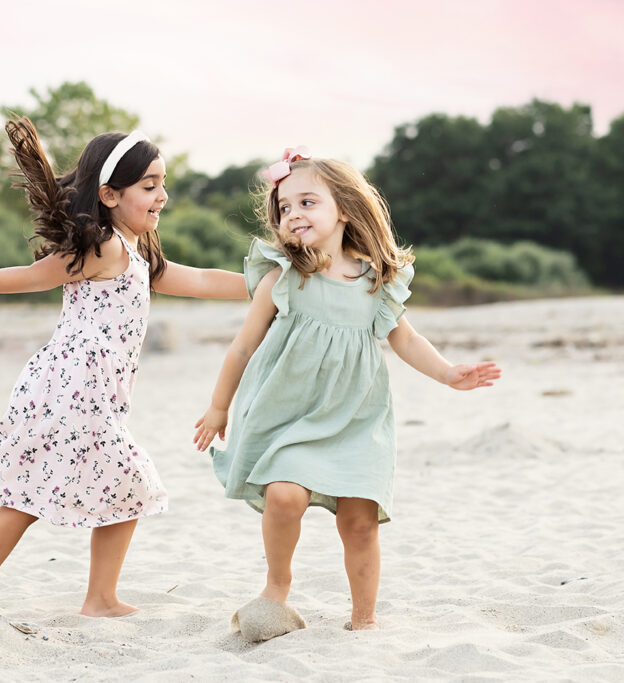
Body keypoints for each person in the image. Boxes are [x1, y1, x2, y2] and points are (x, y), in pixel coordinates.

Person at [0, 117, 247, 619]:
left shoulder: (137, 251)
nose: (163, 196)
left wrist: (266, 283)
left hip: (90, 393)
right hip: (71, 389)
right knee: (34, 495)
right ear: (110, 195)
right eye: (149, 185)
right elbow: (35, 275)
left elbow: (202, 279)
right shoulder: (104, 246)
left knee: (119, 487)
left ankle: (99, 599)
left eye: (163, 184)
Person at [193, 148, 501, 640]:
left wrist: (447, 373)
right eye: (285, 207)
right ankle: (277, 584)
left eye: (307, 202)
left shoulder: (377, 281)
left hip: (357, 416)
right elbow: (242, 346)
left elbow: (406, 339)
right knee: (284, 496)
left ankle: (364, 618)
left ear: (345, 209)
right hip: (290, 414)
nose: (293, 214)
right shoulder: (282, 277)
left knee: (360, 523)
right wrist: (218, 407)